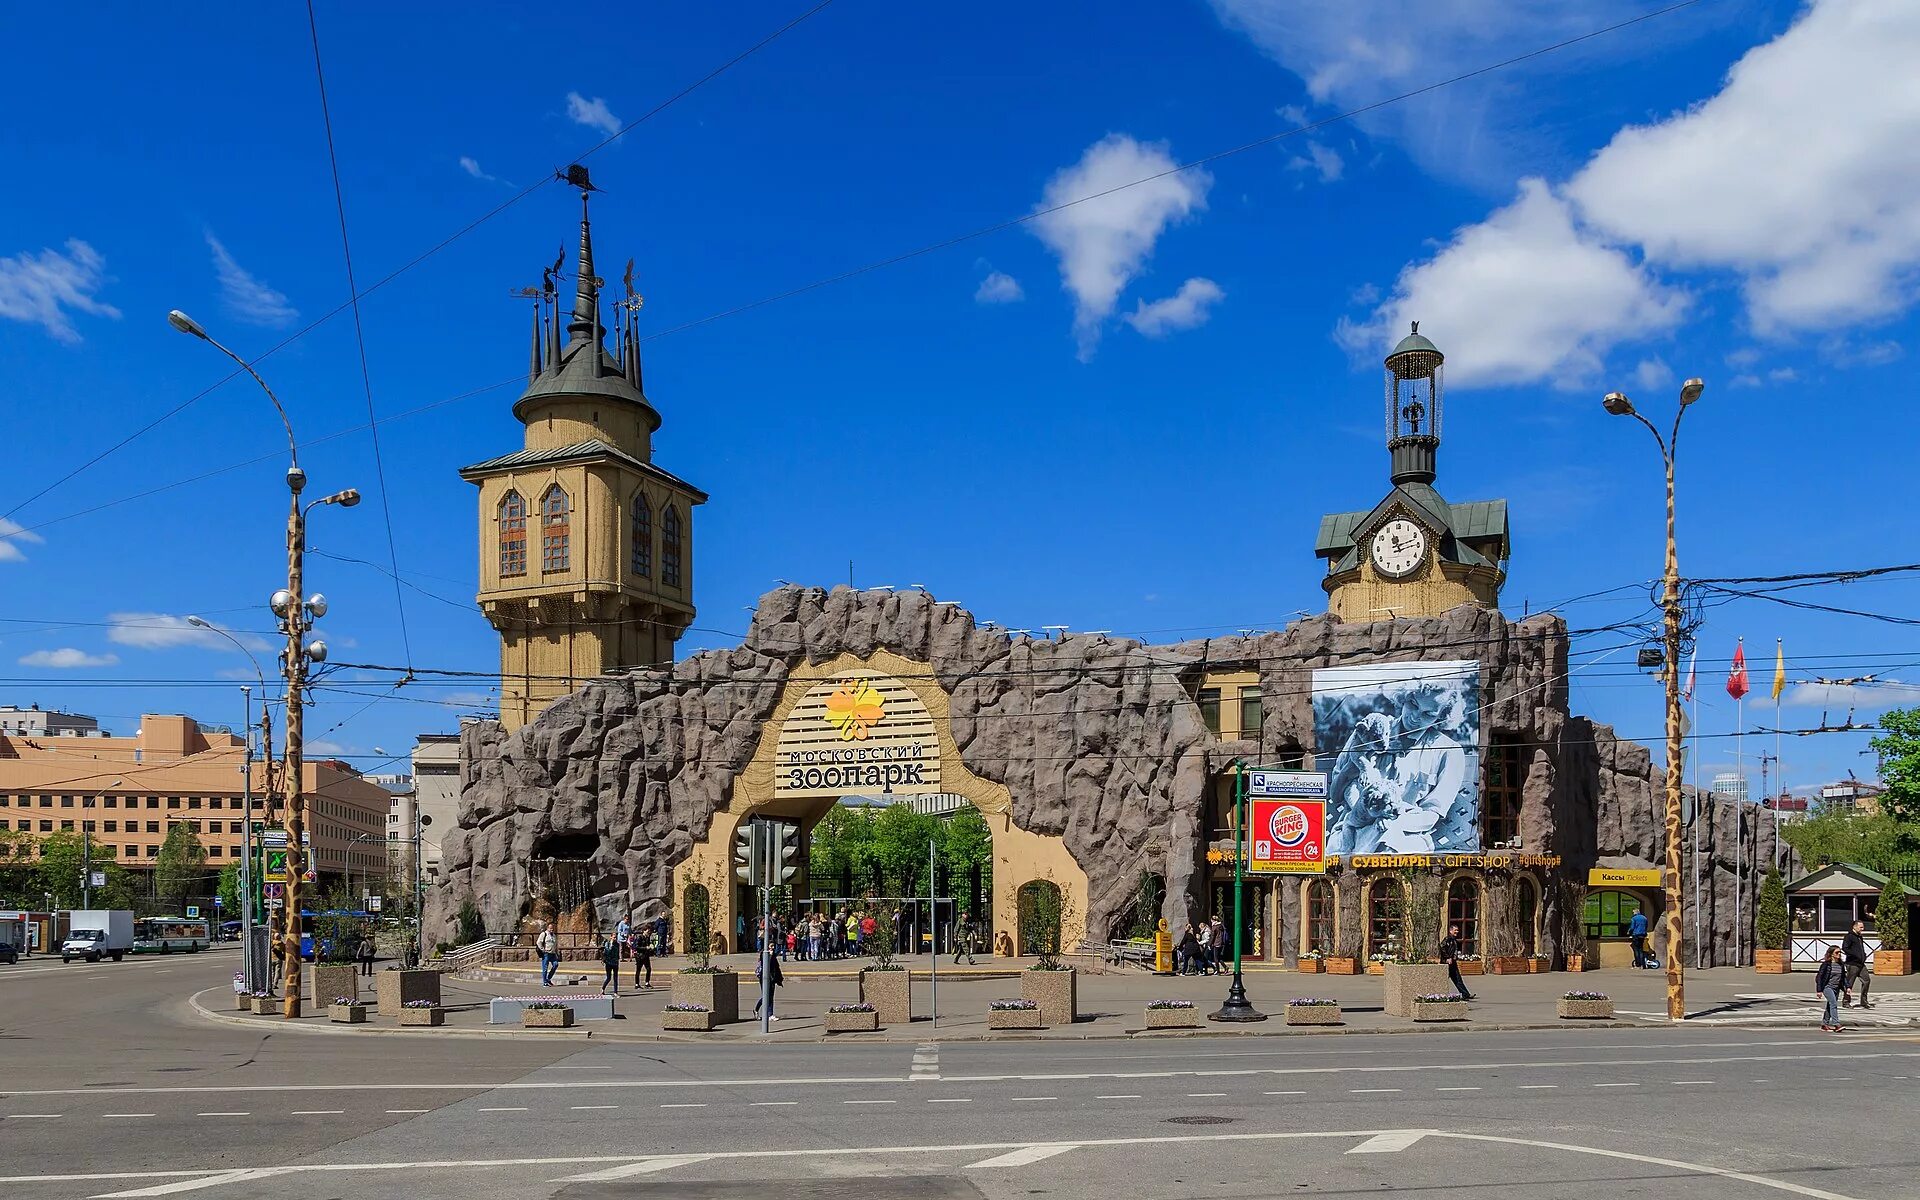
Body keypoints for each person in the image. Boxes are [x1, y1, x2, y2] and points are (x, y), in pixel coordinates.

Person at [1816, 945, 1848, 1032]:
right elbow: (1819, 977)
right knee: (1833, 1003)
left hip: (1836, 988)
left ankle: (1824, 1024)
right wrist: (1819, 990)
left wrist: (1847, 987)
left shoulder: (1841, 964)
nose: (1839, 954)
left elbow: (1843, 977)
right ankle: (1836, 1024)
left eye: (1840, 952)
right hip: (1827, 987)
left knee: (1829, 1006)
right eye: (1837, 952)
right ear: (1832, 954)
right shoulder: (1826, 964)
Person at [1439, 923, 1474, 1000]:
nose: (1457, 932)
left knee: (1458, 979)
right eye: (1455, 930)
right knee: (1443, 979)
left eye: (1457, 930)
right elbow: (1442, 947)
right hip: (1447, 963)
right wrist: (1447, 957)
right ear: (1450, 931)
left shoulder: (1454, 940)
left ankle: (1465, 994)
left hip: (1453, 963)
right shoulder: (1447, 939)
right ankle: (1439, 995)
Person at [753, 941, 784, 1020]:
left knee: (771, 996)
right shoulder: (764, 954)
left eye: (773, 946)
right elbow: (766, 965)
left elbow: (776, 967)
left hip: (772, 978)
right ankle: (756, 1010)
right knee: (766, 996)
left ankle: (770, 1014)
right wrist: (769, 956)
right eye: (771, 946)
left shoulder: (773, 954)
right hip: (764, 977)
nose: (773, 947)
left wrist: (779, 978)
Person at [630, 923, 653, 990]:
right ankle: (637, 984)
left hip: (646, 956)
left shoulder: (647, 938)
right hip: (640, 956)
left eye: (649, 931)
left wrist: (650, 948)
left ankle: (647, 983)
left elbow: (648, 945)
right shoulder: (639, 937)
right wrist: (646, 948)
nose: (649, 933)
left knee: (648, 969)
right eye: (648, 931)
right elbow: (636, 947)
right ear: (644, 931)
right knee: (638, 970)